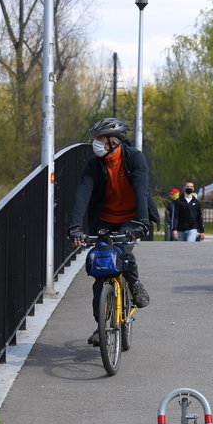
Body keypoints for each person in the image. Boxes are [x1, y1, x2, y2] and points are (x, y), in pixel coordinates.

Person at [67, 117, 151, 347]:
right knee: (102, 269)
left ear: (114, 141)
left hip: (131, 218)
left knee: (123, 253)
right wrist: (74, 227)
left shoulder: (134, 158)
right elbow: (82, 193)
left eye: (99, 139)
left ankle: (134, 284)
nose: (95, 143)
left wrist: (142, 223)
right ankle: (101, 325)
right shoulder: (94, 164)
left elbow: (141, 189)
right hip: (103, 219)